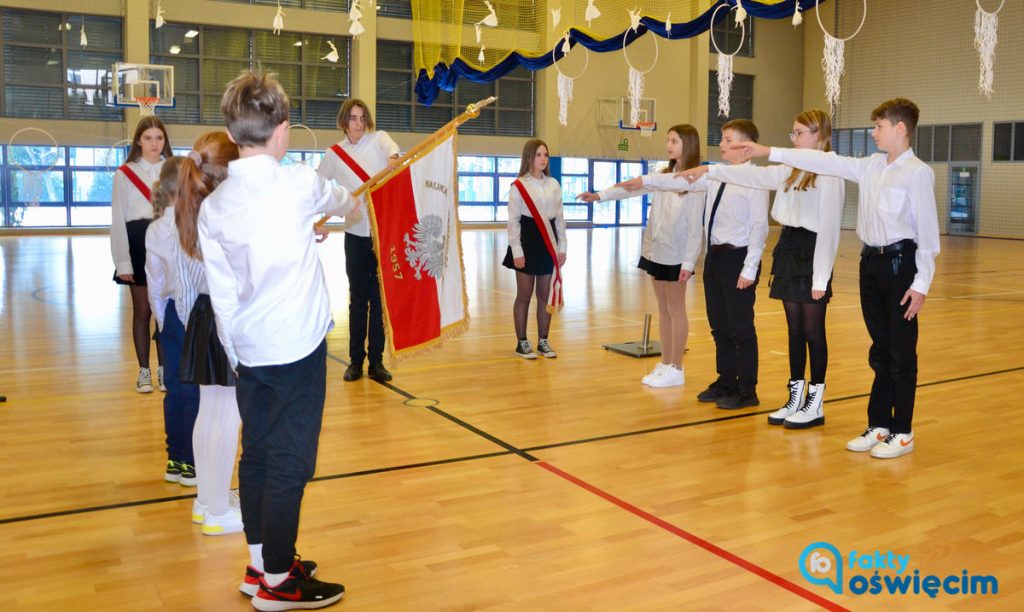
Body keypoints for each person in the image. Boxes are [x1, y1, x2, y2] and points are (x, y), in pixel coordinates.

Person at [198, 70, 355, 610]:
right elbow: (347, 201)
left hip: (248, 349)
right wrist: (333, 210)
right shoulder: (300, 183)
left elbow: (221, 292)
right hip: (296, 347)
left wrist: (236, 349)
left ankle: (262, 560)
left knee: (259, 453)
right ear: (282, 130)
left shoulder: (214, 206)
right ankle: (279, 582)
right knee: (291, 461)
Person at [732, 98, 940, 458]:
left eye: (879, 126)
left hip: (900, 264)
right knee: (879, 351)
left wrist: (921, 284)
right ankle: (879, 425)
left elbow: (928, 234)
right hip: (870, 263)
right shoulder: (871, 165)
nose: (874, 132)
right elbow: (822, 159)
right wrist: (770, 151)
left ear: (900, 129)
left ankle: (903, 430)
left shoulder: (917, 172)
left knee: (900, 353)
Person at [678, 110, 844, 427]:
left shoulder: (830, 172)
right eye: (792, 132)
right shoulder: (790, 170)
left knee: (813, 330)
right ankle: (795, 396)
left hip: (812, 250)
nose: (793, 138)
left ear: (817, 134)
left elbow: (830, 228)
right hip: (789, 247)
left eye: (798, 133)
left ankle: (815, 401)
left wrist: (821, 275)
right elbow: (751, 176)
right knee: (794, 331)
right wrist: (710, 171)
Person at [625, 119, 770, 409]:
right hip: (716, 257)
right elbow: (675, 180)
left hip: (738, 257)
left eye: (729, 140)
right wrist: (645, 181)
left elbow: (759, 228)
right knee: (720, 326)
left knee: (741, 328)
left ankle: (747, 390)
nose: (722, 144)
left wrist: (749, 268)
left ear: (747, 147)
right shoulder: (716, 175)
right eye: (723, 139)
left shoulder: (756, 180)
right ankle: (726, 381)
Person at [578, 124, 705, 387]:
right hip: (655, 250)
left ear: (688, 145)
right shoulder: (662, 175)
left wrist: (689, 260)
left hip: (677, 254)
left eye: (675, 141)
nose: (669, 145)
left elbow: (695, 227)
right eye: (668, 140)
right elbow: (631, 188)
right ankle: (665, 363)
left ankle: (676, 368)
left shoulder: (697, 182)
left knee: (676, 309)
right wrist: (599, 195)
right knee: (663, 310)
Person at [174, 132, 245, 536]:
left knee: (210, 412)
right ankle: (218, 509)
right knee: (227, 416)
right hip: (222, 315)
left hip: (201, 316)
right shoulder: (221, 214)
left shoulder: (184, 209)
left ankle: (208, 498)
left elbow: (183, 288)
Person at [316, 99, 401, 383]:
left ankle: (377, 361)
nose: (358, 123)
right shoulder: (334, 155)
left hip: (381, 235)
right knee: (357, 300)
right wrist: (319, 217)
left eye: (362, 118)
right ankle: (355, 361)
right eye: (353, 118)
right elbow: (318, 187)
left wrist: (393, 158)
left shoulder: (378, 141)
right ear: (344, 121)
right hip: (354, 235)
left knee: (379, 301)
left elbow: (393, 149)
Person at [144, 157, 200, 486]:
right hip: (193, 315)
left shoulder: (154, 228)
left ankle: (175, 459)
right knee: (193, 391)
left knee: (176, 390)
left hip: (169, 316)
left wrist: (164, 322)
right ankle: (191, 461)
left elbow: (154, 282)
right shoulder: (190, 224)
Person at [111, 117, 172, 393]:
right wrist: (122, 260)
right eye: (148, 138)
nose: (154, 144)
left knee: (166, 310)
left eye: (159, 138)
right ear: (138, 140)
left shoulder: (173, 170)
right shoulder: (124, 173)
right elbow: (117, 219)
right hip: (137, 242)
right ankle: (144, 371)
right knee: (144, 310)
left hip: (168, 242)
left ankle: (164, 368)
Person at [501, 139, 567, 359]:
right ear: (529, 157)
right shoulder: (519, 185)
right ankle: (521, 342)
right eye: (538, 155)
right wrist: (517, 251)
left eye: (545, 155)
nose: (543, 159)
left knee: (544, 295)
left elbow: (559, 219)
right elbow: (513, 221)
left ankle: (543, 341)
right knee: (524, 295)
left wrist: (562, 247)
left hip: (548, 241)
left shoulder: (554, 184)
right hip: (527, 240)